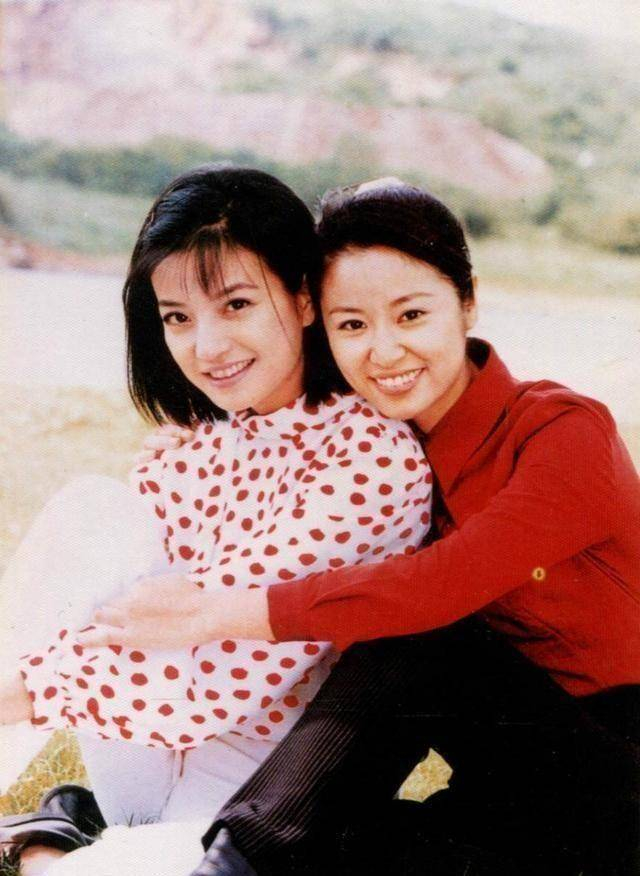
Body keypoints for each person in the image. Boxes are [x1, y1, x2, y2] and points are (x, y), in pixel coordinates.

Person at [102, 179, 640, 876]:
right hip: (513, 789)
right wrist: (210, 446)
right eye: (352, 325)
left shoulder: (563, 432)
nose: (383, 352)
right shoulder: (385, 456)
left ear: (467, 302)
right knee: (330, 846)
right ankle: (76, 821)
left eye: (411, 315)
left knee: (420, 632)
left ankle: (234, 863)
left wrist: (215, 612)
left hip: (617, 770)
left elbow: (441, 586)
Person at [0, 168, 432, 876]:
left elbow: (219, 672)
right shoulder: (199, 445)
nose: (207, 346)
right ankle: (76, 828)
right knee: (95, 508)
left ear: (303, 298)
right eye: (178, 317)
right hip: (151, 762)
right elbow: (114, 613)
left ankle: (56, 843)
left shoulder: (370, 459)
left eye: (235, 305)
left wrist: (23, 693)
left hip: (261, 790)